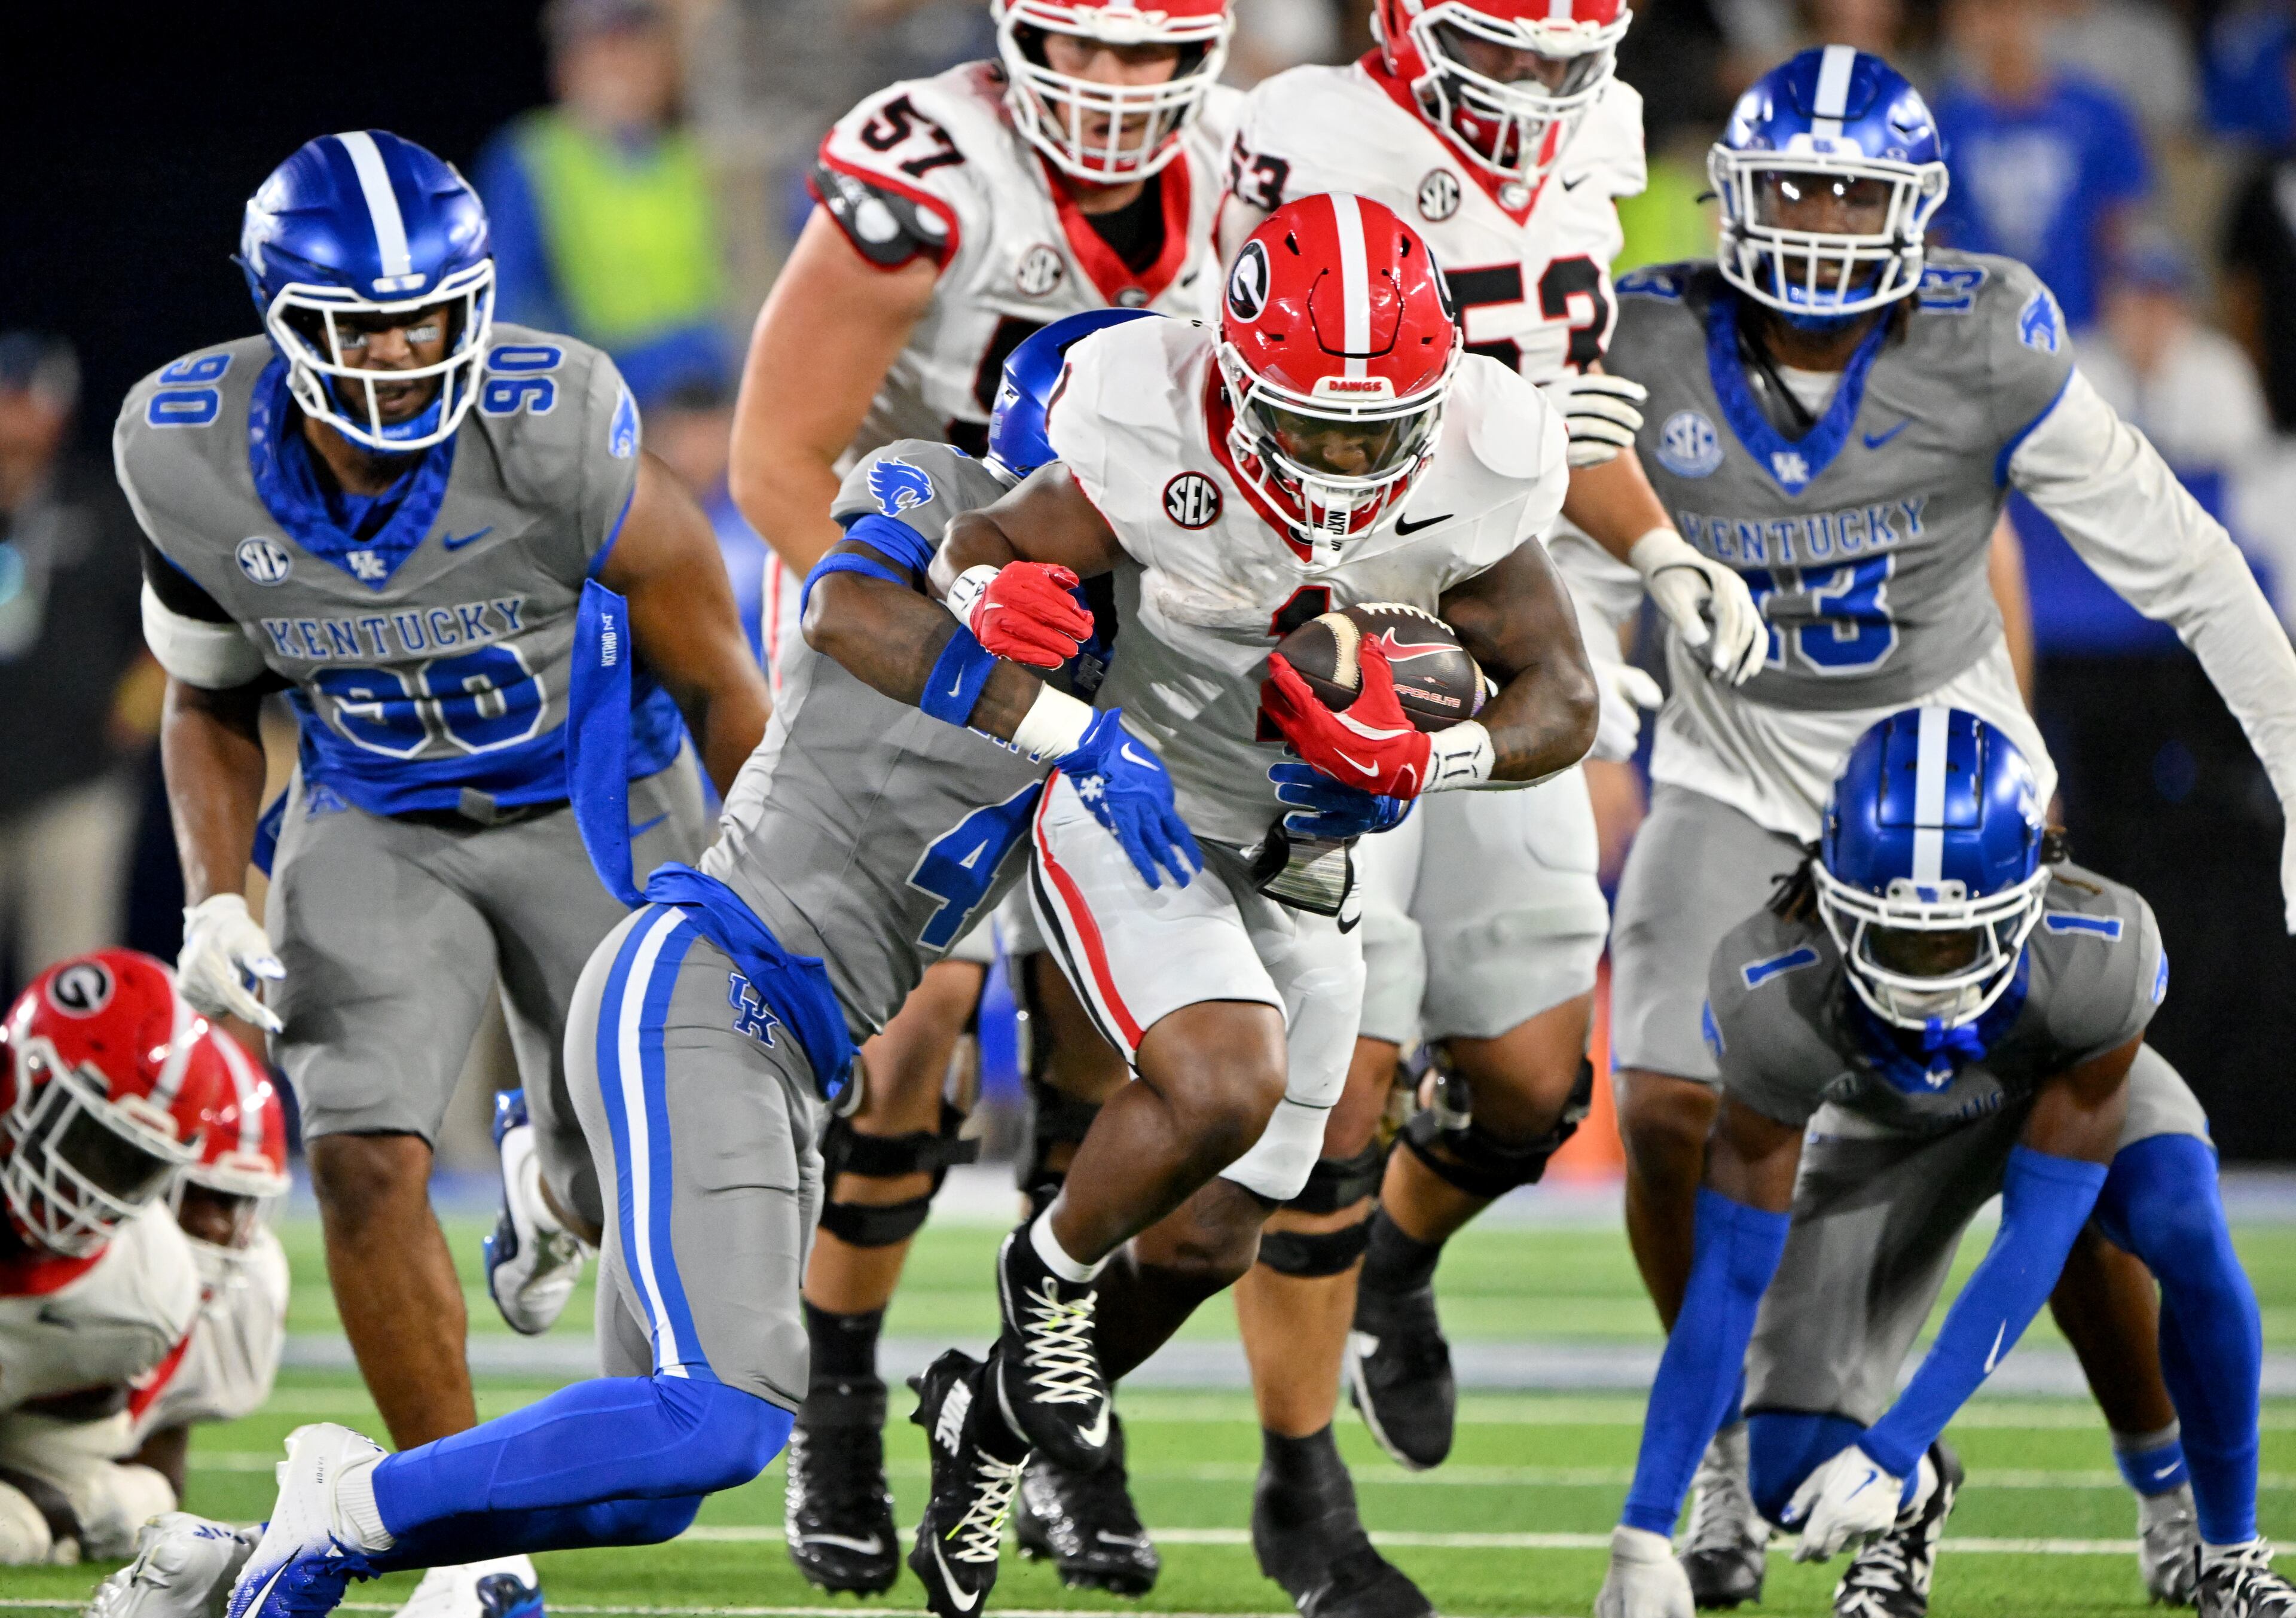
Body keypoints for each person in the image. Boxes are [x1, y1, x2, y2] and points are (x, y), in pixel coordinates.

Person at [190, 316, 1193, 1618]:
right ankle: (348, 1509)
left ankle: (344, 1500)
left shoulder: (1151, 638)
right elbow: (847, 604)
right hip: (710, 978)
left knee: (652, 1483)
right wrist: (1020, 659)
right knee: (727, 1412)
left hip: (795, 1043)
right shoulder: (938, 500)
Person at [1601, 46, 2296, 1608]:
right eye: (1798, 188)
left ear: (1919, 208)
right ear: (1732, 198)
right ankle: (1718, 1462)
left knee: (2088, 1142)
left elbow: (2183, 559)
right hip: (1735, 769)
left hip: (1956, 789)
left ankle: (2174, 1490)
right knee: (1661, 1105)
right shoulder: (1646, 337)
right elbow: (1544, 513)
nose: (1829, 224)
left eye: (1860, 189)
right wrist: (1581, 685)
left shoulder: (1986, 338)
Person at [895, 194, 1619, 1618]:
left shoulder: (1478, 459)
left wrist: (1427, 756)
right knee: (1227, 1077)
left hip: (1305, 860)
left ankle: (981, 1421)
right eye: (1316, 424)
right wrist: (984, 595)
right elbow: (978, 537)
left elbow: (1566, 696)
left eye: (1377, 431)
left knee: (1214, 1237)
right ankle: (1039, 1289)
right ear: (1225, 375)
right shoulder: (1140, 419)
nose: (1348, 463)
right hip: (1136, 809)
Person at [115, 130, 770, 1616]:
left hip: (595, 791)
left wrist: (763, 899)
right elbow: (209, 699)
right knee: (357, 1151)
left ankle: (550, 1168)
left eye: (434, 314)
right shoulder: (185, 447)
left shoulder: (557, 429)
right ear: (285, 320)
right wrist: (218, 891)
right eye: (371, 325)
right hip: (374, 805)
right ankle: (464, 1542)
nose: (411, 354)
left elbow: (726, 679)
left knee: (626, 1190)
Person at [1209, 8, 1772, 1613]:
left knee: (1530, 1079)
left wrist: (1654, 549)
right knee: (1346, 1071)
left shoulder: (1600, 131)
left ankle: (1399, 1256)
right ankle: (1301, 1489)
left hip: (1514, 615)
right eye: (1495, 48)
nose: (1531, 84)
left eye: (1555, 50)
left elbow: (1549, 406)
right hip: (1330, 619)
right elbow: (1230, 391)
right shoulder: (1296, 129)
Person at [726, 1, 1240, 1590]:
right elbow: (775, 459)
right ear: (1019, 37)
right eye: (1082, 48)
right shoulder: (932, 164)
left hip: (1126, 616)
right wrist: (941, 635)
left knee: (1101, 1024)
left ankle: (1058, 1417)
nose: (1112, 89)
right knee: (913, 1030)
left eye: (1151, 56)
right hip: (904, 585)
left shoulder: (1249, 174)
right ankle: (837, 1405)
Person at [1596, 707, 2295, 1618]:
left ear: (2037, 887)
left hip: (2045, 1084)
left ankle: (2226, 1546)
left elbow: (2039, 1232)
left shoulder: (2097, 953)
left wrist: (1889, 1443)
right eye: (1896, 936)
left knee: (2180, 1222)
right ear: (1831, 885)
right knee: (1784, 1472)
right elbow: (1726, 1279)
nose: (1928, 974)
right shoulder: (1772, 986)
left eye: (1958, 938)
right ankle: (1917, 1508)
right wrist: (1643, 1527)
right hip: (1887, 1134)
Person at [0, 953, 227, 1567]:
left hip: (37, 1433)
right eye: (85, 1144)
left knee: (39, 1528)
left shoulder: (148, 1285)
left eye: (132, 1168)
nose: (91, 1192)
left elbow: (152, 1460)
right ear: (19, 1081)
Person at [473, 0, 733, 408]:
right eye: (598, 45)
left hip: (719, 394)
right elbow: (506, 309)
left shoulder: (705, 153)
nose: (619, 63)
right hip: (601, 402)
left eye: (635, 44)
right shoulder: (532, 154)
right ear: (565, 65)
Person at [0, 334, 151, 988]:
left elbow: (176, 623)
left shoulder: (102, 507)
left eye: (24, 401)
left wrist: (134, 716)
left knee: (69, 989)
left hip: (75, 787)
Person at [1928, 0, 2150, 332]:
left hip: (2079, 325)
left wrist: (2119, 313)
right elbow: (1933, 233)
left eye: (2013, 11)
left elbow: (2120, 228)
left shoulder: (2096, 112)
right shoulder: (1946, 122)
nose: (2003, 30)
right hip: (1976, 327)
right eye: (1987, 14)